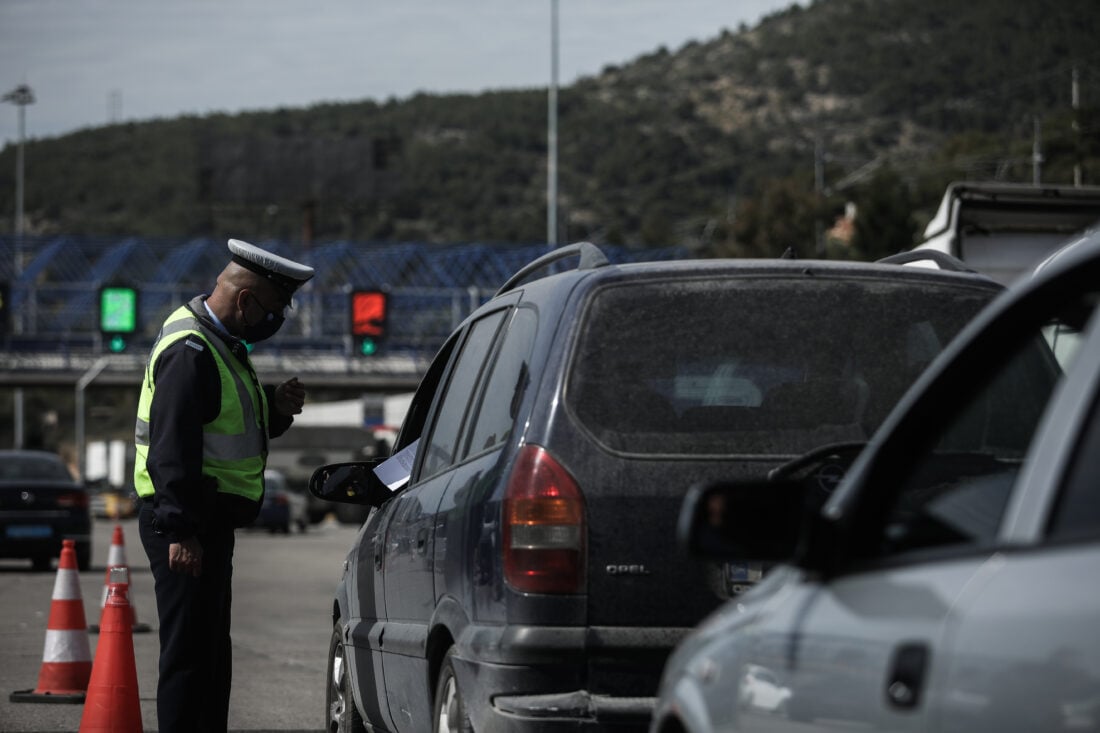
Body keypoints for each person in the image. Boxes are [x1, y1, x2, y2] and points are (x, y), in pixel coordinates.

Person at [134, 238, 314, 732]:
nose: (275, 320)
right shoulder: (190, 350)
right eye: (273, 309)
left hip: (206, 524)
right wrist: (181, 531)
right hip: (187, 526)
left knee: (211, 657)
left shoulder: (221, 346)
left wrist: (275, 408)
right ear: (245, 299)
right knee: (190, 659)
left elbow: (228, 429)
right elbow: (171, 449)